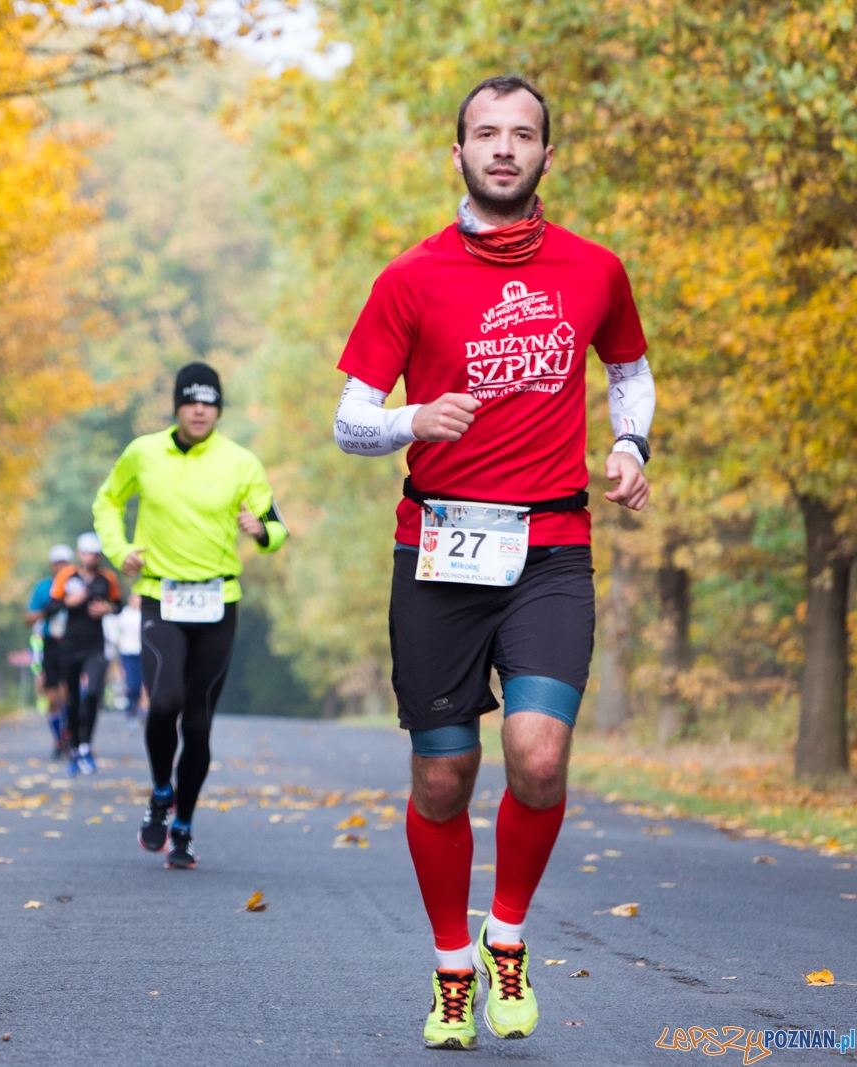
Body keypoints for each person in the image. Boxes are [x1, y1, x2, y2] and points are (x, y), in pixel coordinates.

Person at [332, 77, 654, 1050]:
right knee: (443, 776)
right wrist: (410, 420)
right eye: (485, 133)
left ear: (547, 155)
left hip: (550, 544)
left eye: (522, 135)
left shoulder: (595, 270)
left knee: (539, 754)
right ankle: (450, 965)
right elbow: (349, 418)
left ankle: (505, 929)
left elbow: (629, 371)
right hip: (437, 549)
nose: (503, 148)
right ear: (459, 152)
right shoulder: (409, 277)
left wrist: (632, 443)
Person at [93, 362, 288, 869]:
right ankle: (162, 791)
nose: (200, 409)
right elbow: (107, 503)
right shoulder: (143, 452)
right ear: (177, 405)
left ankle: (182, 827)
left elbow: (274, 523)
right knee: (163, 705)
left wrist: (260, 529)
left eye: (209, 402)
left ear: (218, 409)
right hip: (161, 593)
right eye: (191, 400)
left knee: (198, 725)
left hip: (218, 600)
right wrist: (120, 550)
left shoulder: (240, 462)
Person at [48, 532, 121, 775]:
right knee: (72, 699)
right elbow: (51, 606)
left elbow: (119, 605)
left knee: (92, 694)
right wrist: (68, 601)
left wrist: (107, 608)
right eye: (87, 552)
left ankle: (87, 746)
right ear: (80, 553)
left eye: (96, 553)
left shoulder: (107, 578)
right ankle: (74, 748)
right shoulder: (66, 576)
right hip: (70, 645)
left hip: (96, 645)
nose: (92, 557)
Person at [25, 544, 75, 758]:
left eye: (64, 562)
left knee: (70, 694)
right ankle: (59, 739)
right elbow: (28, 618)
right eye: (57, 563)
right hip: (51, 644)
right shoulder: (43, 588)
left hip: (72, 643)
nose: (60, 566)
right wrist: (48, 610)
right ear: (51, 565)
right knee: (53, 696)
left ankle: (71, 736)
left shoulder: (78, 585)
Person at [115, 593, 145, 729]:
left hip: (143, 653)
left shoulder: (146, 613)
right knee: (132, 685)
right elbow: (115, 632)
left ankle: (143, 711)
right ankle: (131, 711)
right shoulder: (123, 614)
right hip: (127, 653)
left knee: (144, 685)